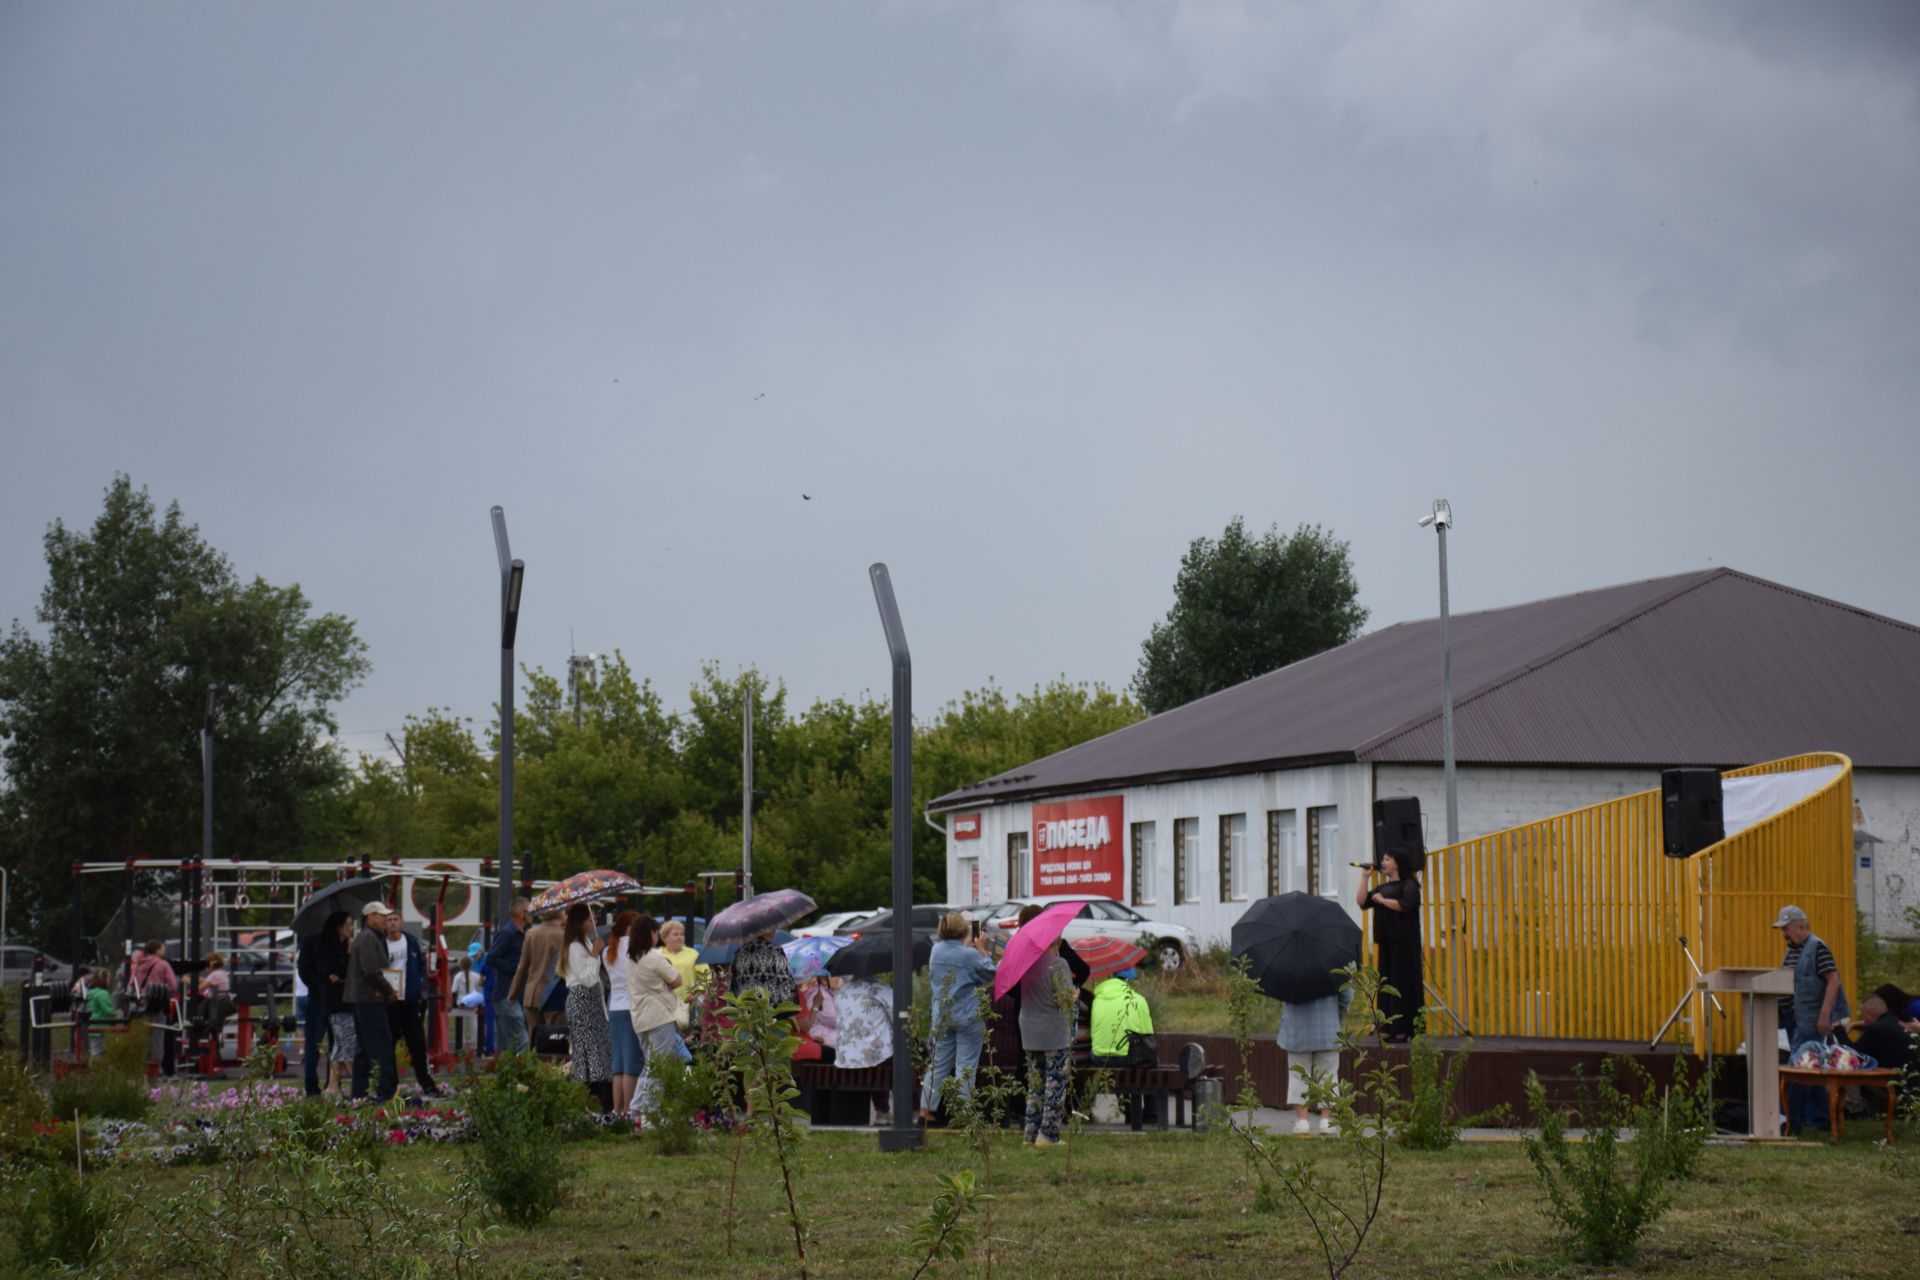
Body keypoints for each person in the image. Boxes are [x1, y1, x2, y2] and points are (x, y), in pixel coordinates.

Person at [1775, 904, 1848, 1134]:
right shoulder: (1792, 950)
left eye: (1787, 928)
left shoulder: (1817, 947)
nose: (1784, 934)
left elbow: (1833, 980)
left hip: (1810, 1019)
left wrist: (1824, 1015)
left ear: (1801, 926)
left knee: (1798, 1069)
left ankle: (1791, 1123)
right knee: (1812, 1068)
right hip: (1793, 1018)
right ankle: (1824, 1120)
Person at [918, 912, 995, 1125]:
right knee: (965, 1066)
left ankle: (926, 1109)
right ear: (964, 930)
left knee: (938, 1064)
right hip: (968, 1015)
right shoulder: (969, 955)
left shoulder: (936, 950)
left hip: (942, 1015)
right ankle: (963, 1113)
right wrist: (980, 948)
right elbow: (990, 973)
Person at [1016, 912, 1077, 1147]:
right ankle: (1048, 1135)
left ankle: (1029, 1134)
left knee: (1035, 1085)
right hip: (1053, 1031)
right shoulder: (1059, 964)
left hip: (1029, 1030)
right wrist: (1074, 995)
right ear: (1057, 941)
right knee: (1054, 1084)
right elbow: (1065, 1000)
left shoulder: (1025, 964)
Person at [626, 914, 689, 1116]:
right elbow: (677, 980)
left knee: (650, 1064)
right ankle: (650, 1112)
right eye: (655, 932)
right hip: (659, 1017)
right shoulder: (653, 957)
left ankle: (636, 1109)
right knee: (659, 1066)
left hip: (639, 1017)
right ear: (651, 934)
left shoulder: (630, 958)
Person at [1356, 852, 1422, 1042]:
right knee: (1386, 984)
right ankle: (1390, 1028)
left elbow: (1405, 905)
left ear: (1398, 863)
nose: (1383, 863)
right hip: (1386, 941)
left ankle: (1404, 1030)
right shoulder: (1382, 887)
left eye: (1387, 859)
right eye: (1383, 859)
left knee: (1402, 984)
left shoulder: (1409, 885)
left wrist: (1383, 901)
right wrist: (1365, 878)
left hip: (1404, 942)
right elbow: (1361, 901)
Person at [1089, 965, 1158, 1125]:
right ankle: (1151, 1113)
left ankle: (1125, 1109)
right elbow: (1148, 1036)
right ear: (1130, 982)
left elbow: (1094, 1031)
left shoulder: (1097, 998)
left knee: (1127, 1062)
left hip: (1099, 1057)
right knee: (1150, 1061)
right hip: (1127, 1059)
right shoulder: (1138, 1000)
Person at [1278, 986, 1352, 1135]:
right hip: (1328, 1027)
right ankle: (1327, 1121)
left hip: (1296, 1029)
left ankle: (1302, 1121)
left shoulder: (1289, 967)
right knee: (1328, 1075)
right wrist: (1338, 1017)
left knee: (1298, 1075)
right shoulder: (1333, 963)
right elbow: (1347, 994)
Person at [347, 901, 401, 1102]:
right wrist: (389, 991)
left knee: (362, 1049)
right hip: (370, 999)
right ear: (370, 917)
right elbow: (371, 971)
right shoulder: (369, 938)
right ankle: (385, 1092)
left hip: (362, 999)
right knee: (381, 1045)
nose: (386, 920)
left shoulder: (368, 937)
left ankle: (358, 1094)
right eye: (382, 916)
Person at [384, 913, 441, 1097]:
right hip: (390, 1001)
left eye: (395, 919)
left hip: (409, 1001)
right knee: (389, 1044)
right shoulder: (381, 943)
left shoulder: (410, 941)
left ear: (401, 921)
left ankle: (427, 1084)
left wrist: (420, 987)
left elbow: (420, 965)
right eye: (389, 920)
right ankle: (391, 1086)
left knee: (417, 1044)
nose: (392, 923)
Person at [832, 974, 894, 1121]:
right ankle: (884, 1109)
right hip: (875, 1059)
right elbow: (898, 1016)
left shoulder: (841, 991)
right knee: (886, 1054)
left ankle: (882, 1110)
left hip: (845, 1058)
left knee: (875, 1054)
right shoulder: (881, 989)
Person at [603, 911, 643, 1115]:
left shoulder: (607, 950)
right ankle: (629, 1109)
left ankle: (617, 1109)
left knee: (618, 1065)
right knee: (631, 1063)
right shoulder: (634, 947)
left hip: (614, 1008)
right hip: (632, 1007)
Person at [508, 909, 567, 1033]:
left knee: (534, 1038)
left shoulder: (530, 933)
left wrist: (513, 992)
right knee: (554, 1038)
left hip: (532, 993)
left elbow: (522, 966)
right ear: (559, 914)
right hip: (554, 994)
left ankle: (533, 1053)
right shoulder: (563, 935)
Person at [485, 897, 531, 1053]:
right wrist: (515, 967)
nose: (533, 913)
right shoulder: (507, 934)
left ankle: (505, 1075)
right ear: (520, 913)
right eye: (529, 910)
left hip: (514, 994)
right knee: (522, 1040)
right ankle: (526, 1074)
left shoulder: (522, 934)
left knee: (507, 1045)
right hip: (506, 994)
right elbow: (491, 958)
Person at [317, 911, 356, 1096]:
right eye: (348, 924)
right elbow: (338, 972)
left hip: (347, 998)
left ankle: (332, 1086)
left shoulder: (345, 946)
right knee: (347, 1041)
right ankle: (356, 1082)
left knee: (339, 1045)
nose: (352, 928)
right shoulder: (329, 948)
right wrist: (348, 952)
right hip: (336, 1002)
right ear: (339, 927)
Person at [131, 939, 181, 1076]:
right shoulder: (162, 964)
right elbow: (173, 985)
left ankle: (142, 1067)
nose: (164, 950)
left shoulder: (138, 964)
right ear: (157, 950)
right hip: (158, 1004)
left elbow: (132, 983)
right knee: (158, 1036)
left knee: (144, 1036)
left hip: (142, 1004)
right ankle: (156, 1068)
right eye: (162, 948)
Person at [296, 923, 332, 1096]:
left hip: (319, 997)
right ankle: (315, 1086)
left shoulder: (308, 941)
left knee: (316, 1044)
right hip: (321, 998)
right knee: (316, 1044)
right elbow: (304, 969)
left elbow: (303, 970)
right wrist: (321, 985)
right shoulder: (312, 942)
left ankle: (326, 1085)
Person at [731, 928, 796, 1007]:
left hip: (745, 1010)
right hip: (769, 1011)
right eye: (773, 928)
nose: (774, 931)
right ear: (767, 930)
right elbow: (785, 981)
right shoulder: (775, 950)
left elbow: (734, 984)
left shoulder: (738, 952)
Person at [659, 920, 707, 1007]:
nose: (680, 937)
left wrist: (696, 993)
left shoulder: (693, 954)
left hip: (687, 1004)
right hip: (662, 1004)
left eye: (682, 934)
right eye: (675, 934)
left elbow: (707, 976)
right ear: (665, 937)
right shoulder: (658, 954)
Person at [449, 954, 482, 1055]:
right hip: (473, 1002)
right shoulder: (476, 975)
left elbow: (454, 990)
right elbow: (479, 989)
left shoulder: (458, 976)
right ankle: (474, 1044)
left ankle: (461, 1043)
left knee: (460, 1024)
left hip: (461, 1002)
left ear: (461, 966)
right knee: (474, 1023)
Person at [84, 969, 115, 1059]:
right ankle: (97, 1068)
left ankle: (95, 1067)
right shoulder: (103, 993)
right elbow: (108, 1011)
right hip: (102, 1026)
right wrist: (114, 1016)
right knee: (100, 1050)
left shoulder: (91, 993)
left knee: (95, 1048)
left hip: (93, 1025)